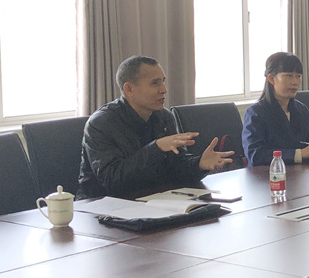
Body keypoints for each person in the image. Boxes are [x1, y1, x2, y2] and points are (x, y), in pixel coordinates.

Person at [76, 56, 233, 200]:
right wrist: (156, 148)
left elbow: (176, 168)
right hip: (101, 207)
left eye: (163, 81)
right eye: (155, 83)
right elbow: (112, 181)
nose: (164, 89)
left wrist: (199, 164)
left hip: (152, 201)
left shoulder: (164, 117)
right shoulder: (101, 123)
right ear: (129, 89)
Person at [241, 52, 309, 167]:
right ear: (271, 79)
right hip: (267, 175)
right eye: (289, 76)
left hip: (299, 173)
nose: (295, 82)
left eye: (298, 76)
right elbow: (255, 155)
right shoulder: (256, 113)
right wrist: (300, 154)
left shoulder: (301, 109)